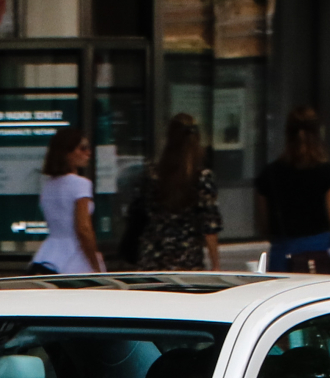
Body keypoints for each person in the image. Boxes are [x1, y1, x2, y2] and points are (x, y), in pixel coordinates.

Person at [255, 106, 330, 275]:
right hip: (320, 254)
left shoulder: (269, 174)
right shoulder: (326, 172)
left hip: (282, 254)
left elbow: (263, 224)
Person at [117, 113, 221, 271]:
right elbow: (210, 227)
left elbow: (141, 212)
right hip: (186, 260)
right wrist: (216, 265)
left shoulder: (153, 174)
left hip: (152, 257)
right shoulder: (201, 178)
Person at [31, 127, 102, 275]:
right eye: (82, 148)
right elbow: (84, 229)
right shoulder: (81, 184)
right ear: (67, 152)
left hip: (47, 255)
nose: (88, 153)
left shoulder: (48, 184)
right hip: (75, 258)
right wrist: (96, 264)